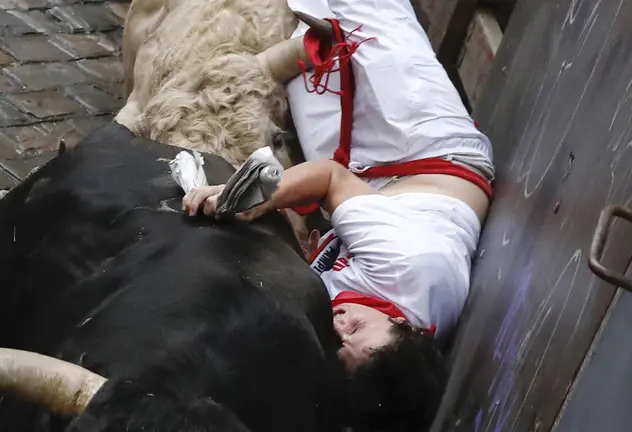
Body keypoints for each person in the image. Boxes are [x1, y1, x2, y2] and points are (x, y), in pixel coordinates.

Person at [183, 0, 495, 430]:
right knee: (363, 17)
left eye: (340, 346)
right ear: (407, 328)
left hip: (374, 183)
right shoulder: (414, 268)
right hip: (428, 148)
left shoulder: (350, 336)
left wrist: (321, 251)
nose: (341, 326)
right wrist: (252, 194)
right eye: (358, 332)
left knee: (307, 51)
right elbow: (330, 178)